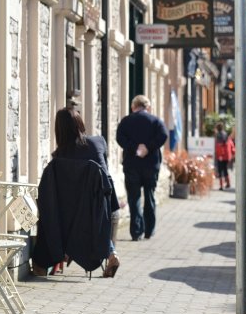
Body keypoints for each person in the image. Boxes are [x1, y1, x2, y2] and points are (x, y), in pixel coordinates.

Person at [32, 105, 121, 278]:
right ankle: (111, 253)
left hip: (72, 215)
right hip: (99, 208)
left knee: (62, 214)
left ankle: (50, 258)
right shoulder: (98, 142)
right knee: (98, 216)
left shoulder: (59, 158)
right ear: (80, 123)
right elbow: (105, 176)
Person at [116, 95, 168, 241]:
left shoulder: (126, 121)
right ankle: (149, 230)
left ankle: (136, 231)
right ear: (148, 107)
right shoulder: (156, 121)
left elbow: (119, 137)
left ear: (133, 107)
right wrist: (148, 147)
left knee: (134, 198)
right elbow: (163, 135)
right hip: (151, 164)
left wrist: (134, 147)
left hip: (132, 164)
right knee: (150, 196)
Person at [214, 121, 235, 190]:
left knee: (220, 171)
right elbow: (229, 144)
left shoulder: (219, 135)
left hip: (221, 156)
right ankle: (228, 183)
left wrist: (220, 155)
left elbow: (220, 146)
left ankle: (221, 185)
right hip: (226, 155)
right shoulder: (225, 134)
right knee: (225, 169)